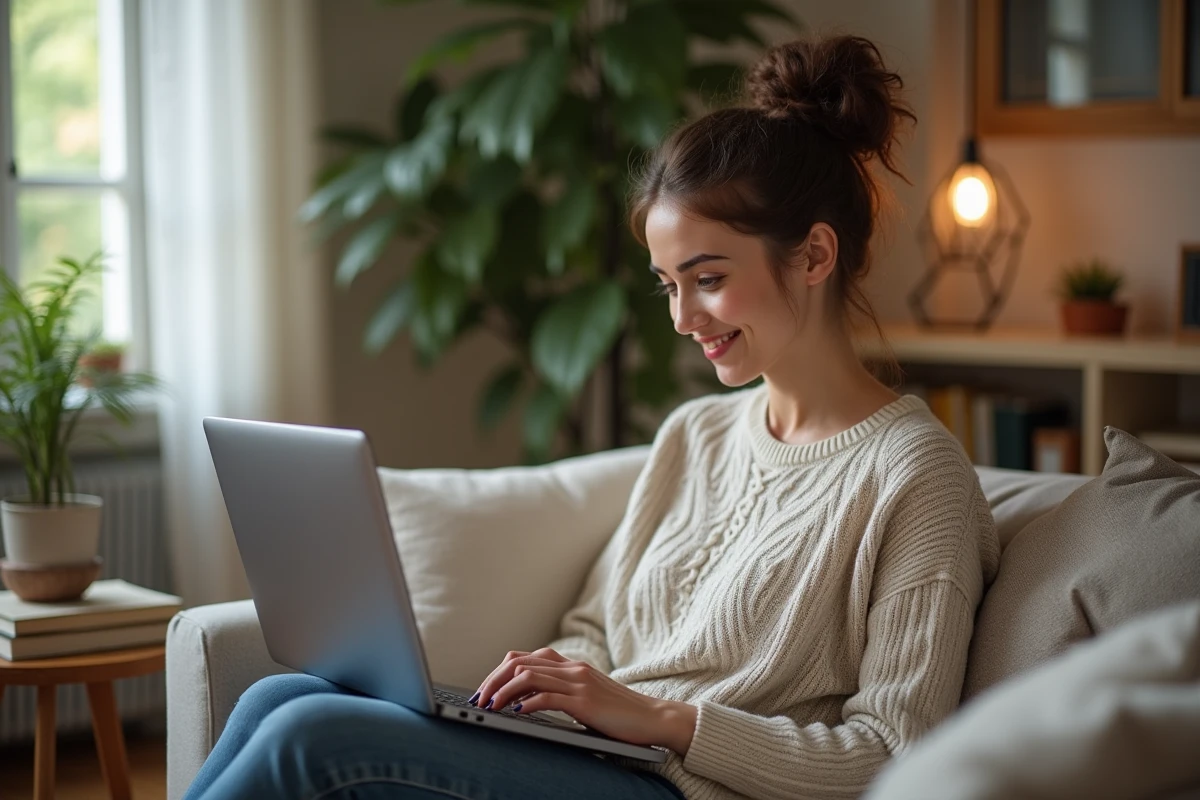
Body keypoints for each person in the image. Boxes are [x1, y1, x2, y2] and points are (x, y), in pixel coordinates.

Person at [184, 33, 999, 800]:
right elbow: (594, 627)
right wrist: (551, 693)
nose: (684, 318)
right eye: (668, 283)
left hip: (680, 787)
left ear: (815, 256)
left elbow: (894, 753)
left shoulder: (916, 478)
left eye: (708, 278)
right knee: (283, 694)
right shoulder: (698, 434)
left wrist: (661, 721)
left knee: (313, 736)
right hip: (599, 758)